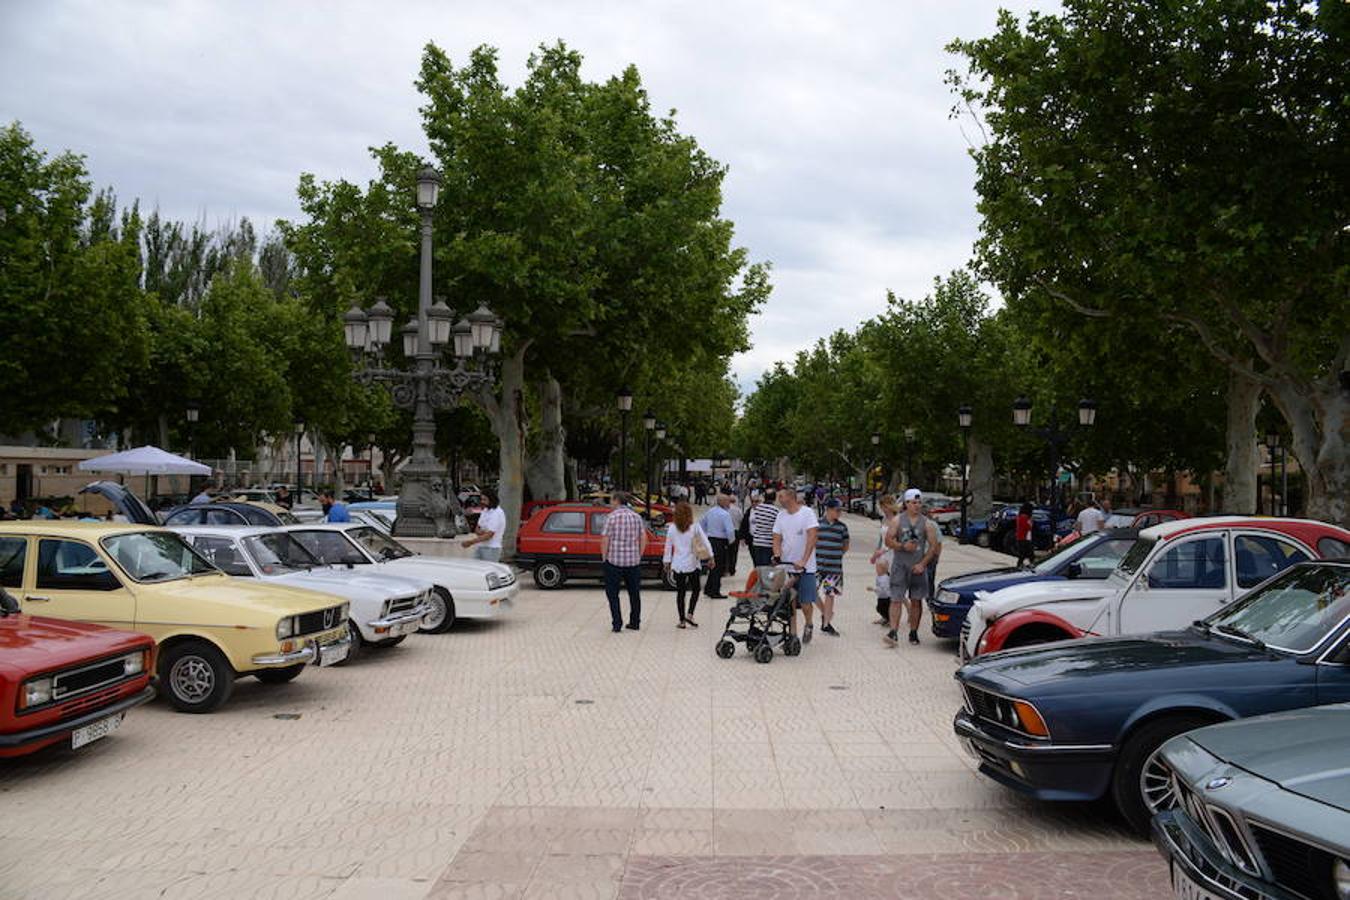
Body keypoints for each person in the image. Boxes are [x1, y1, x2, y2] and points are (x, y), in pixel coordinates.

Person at [884, 488, 940, 646]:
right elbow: (888, 540)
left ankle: (913, 632)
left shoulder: (927, 523)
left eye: (919, 502)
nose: (917, 505)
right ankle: (893, 631)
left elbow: (933, 546)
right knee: (896, 598)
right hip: (900, 565)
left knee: (916, 600)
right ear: (906, 503)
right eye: (913, 502)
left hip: (917, 567)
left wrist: (923, 564)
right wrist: (902, 546)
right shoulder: (897, 521)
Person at [772, 486, 819, 643]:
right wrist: (777, 554)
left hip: (806, 567)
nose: (779, 499)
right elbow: (776, 537)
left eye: (781, 497)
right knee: (789, 601)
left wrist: (804, 560)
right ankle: (793, 632)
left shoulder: (807, 513)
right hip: (787, 566)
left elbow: (812, 536)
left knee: (805, 602)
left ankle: (809, 623)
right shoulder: (781, 516)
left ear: (791, 497)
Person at [600, 491, 646, 632]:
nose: (611, 504)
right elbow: (643, 537)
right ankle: (635, 622)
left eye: (612, 501)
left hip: (614, 561)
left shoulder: (611, 517)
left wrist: (604, 557)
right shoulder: (636, 517)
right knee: (634, 593)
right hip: (633, 561)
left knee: (613, 594)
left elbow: (605, 539)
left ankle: (617, 623)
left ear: (616, 501)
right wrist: (639, 555)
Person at [662, 500, 708, 628]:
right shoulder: (695, 527)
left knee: (680, 592)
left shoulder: (672, 528)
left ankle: (681, 620)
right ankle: (690, 614)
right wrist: (711, 557)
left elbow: (668, 546)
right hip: (693, 563)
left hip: (678, 564)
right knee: (696, 589)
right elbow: (705, 541)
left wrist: (667, 561)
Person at [815, 499, 850, 636]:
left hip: (834, 567)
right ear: (828, 510)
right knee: (812, 591)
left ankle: (826, 624)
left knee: (830, 594)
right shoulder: (817, 524)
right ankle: (825, 612)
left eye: (840, 510)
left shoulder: (842, 527)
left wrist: (837, 554)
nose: (839, 513)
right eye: (837, 510)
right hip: (817, 565)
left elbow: (846, 545)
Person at [699, 492, 735, 599]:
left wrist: (705, 535)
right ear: (723, 502)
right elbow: (730, 531)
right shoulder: (725, 514)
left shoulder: (710, 512)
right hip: (721, 542)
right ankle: (715, 591)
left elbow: (701, 524)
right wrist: (731, 542)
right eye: (728, 501)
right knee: (719, 567)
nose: (729, 503)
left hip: (710, 540)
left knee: (712, 566)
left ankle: (708, 589)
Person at [870, 495, 898, 624]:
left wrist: (884, 550)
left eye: (884, 507)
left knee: (893, 585)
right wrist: (876, 552)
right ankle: (884, 614)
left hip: (893, 553)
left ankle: (905, 609)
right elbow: (881, 538)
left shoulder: (898, 520)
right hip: (882, 554)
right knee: (882, 584)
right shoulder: (884, 519)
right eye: (882, 507)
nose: (883, 510)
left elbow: (896, 540)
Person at [461, 490, 506, 561]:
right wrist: (483, 533)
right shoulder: (485, 511)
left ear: (491, 500)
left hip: (491, 548)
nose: (482, 502)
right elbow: (477, 529)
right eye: (481, 499)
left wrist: (470, 542)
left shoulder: (497, 513)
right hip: (480, 546)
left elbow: (489, 535)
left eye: (485, 499)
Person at [748, 488, 780, 568]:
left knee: (758, 566)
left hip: (757, 541)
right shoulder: (776, 510)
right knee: (767, 567)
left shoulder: (757, 508)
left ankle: (759, 580)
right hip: (768, 542)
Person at [725, 493, 744, 577]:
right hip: (736, 532)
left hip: (726, 532)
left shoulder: (726, 509)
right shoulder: (738, 510)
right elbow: (741, 521)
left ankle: (725, 568)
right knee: (734, 551)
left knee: (726, 551)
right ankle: (732, 569)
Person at [1014, 502, 1035, 569]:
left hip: (1021, 537)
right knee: (1028, 553)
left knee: (1023, 553)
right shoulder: (1025, 517)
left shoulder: (1020, 516)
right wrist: (1031, 521)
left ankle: (1020, 565)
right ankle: (1023, 565)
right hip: (1024, 538)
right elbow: (1028, 527)